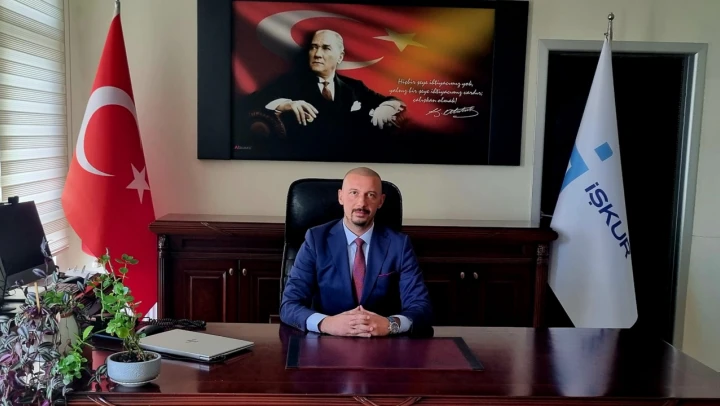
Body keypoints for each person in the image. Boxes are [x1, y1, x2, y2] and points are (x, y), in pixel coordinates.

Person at [280, 167, 432, 337]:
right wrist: (326, 323)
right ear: (341, 197)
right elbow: (289, 305)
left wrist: (391, 324)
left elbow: (421, 307)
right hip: (327, 342)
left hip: (382, 343)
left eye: (371, 195)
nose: (361, 203)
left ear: (381, 201)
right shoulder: (316, 240)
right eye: (354, 193)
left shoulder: (399, 245)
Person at [248, 30, 406, 138]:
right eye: (313, 47)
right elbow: (254, 101)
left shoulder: (354, 86)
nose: (317, 54)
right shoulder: (289, 82)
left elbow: (394, 101)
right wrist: (285, 104)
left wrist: (386, 108)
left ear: (340, 57)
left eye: (326, 48)